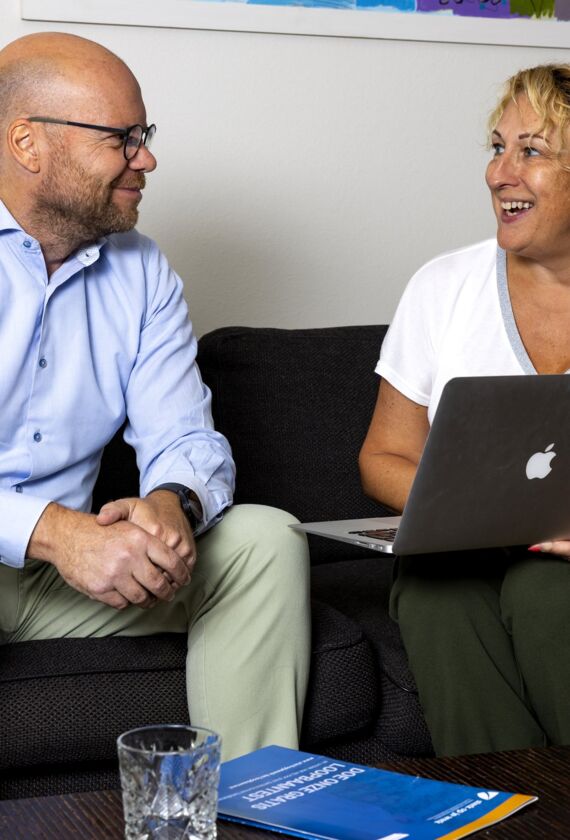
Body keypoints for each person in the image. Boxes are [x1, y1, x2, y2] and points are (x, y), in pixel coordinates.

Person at [0, 31, 310, 761]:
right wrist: (56, 533)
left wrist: (175, 502)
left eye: (145, 136)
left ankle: (249, 802)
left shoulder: (141, 270)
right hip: (52, 548)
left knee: (264, 542)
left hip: (69, 580)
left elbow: (184, 438)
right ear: (27, 142)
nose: (147, 159)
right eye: (122, 138)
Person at [359, 63, 570, 757]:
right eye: (497, 147)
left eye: (531, 151)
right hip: (464, 550)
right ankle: (510, 806)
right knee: (433, 591)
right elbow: (383, 455)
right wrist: (476, 514)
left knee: (546, 594)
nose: (499, 173)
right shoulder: (444, 286)